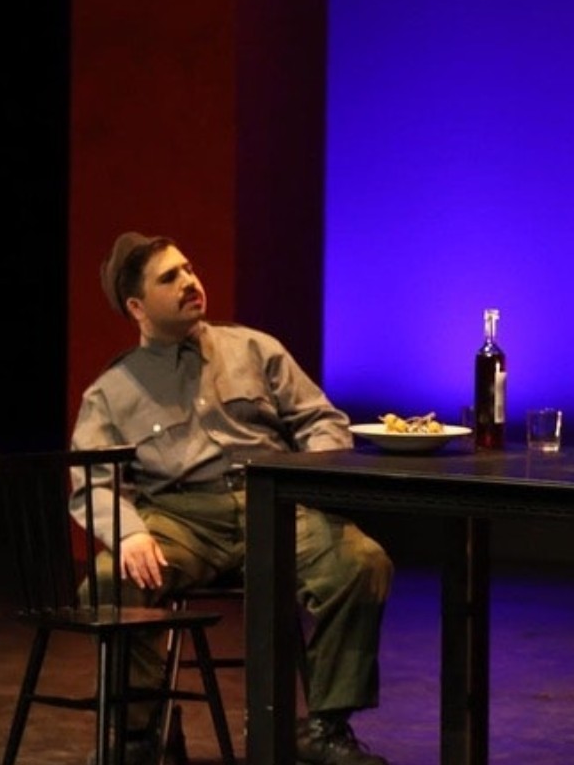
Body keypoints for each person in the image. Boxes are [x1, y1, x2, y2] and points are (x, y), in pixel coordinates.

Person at [70, 232, 393, 765]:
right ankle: (141, 732)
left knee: (361, 562)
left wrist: (311, 480)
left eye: (188, 268)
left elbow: (321, 420)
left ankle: (326, 727)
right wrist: (128, 534)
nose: (189, 282)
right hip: (181, 519)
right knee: (108, 582)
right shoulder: (112, 391)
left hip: (272, 501)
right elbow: (92, 482)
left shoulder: (254, 349)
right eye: (169, 278)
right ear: (137, 307)